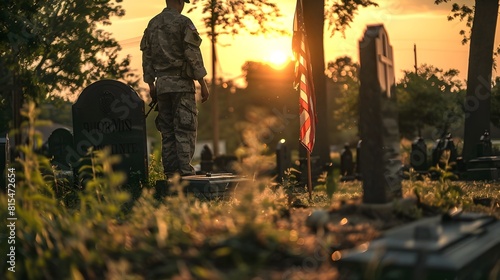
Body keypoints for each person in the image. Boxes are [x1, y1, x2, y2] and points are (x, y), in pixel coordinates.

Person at [141, 0, 210, 178]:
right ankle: (186, 173)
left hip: (162, 86)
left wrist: (151, 85)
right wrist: (202, 83)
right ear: (179, 2)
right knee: (185, 128)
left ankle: (170, 175)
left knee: (168, 131)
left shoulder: (152, 24)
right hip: (182, 85)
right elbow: (192, 54)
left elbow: (147, 57)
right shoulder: (183, 22)